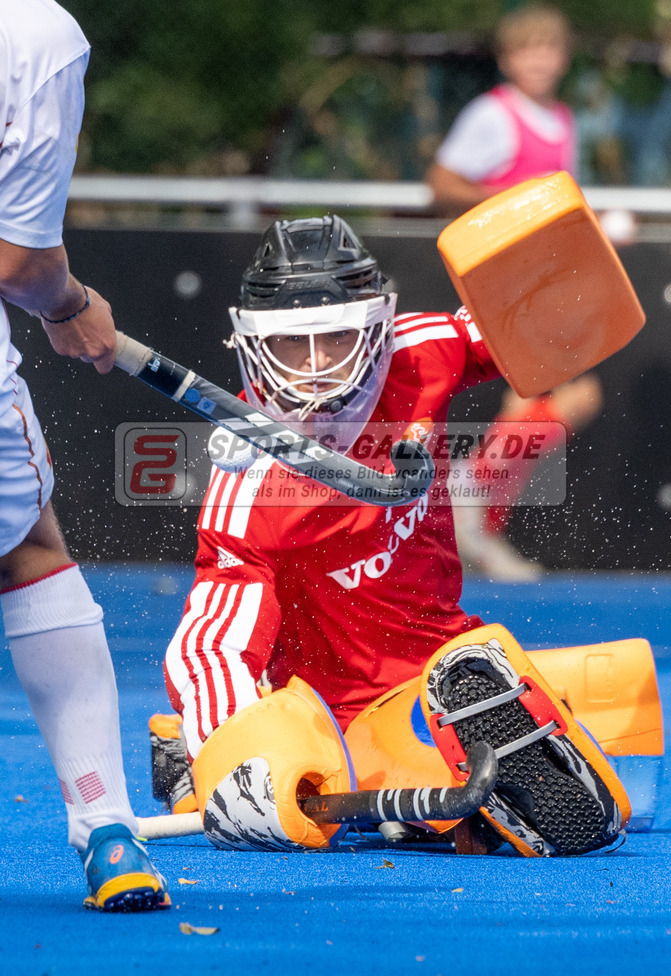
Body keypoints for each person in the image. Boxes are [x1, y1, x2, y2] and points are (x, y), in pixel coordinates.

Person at [150, 214, 636, 859]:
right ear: (252, 345)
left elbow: (551, 325)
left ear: (378, 327)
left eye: (338, 338)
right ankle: (196, 748)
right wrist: (236, 745)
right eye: (294, 345)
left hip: (452, 659)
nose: (317, 367)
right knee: (479, 806)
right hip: (334, 706)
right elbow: (212, 641)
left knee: (628, 695)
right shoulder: (248, 487)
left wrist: (568, 264)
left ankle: (440, 778)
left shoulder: (421, 350)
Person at [0, 0, 169, 911]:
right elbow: (21, 260)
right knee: (28, 552)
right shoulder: (35, 33)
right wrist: (69, 304)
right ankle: (106, 831)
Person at [427, 5, 603, 581]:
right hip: (504, 280)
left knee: (543, 406)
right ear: (508, 59)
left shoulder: (564, 121)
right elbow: (443, 181)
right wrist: (508, 201)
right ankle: (474, 512)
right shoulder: (492, 116)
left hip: (545, 282)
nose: (539, 60)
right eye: (527, 49)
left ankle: (473, 518)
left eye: (548, 48)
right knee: (546, 401)